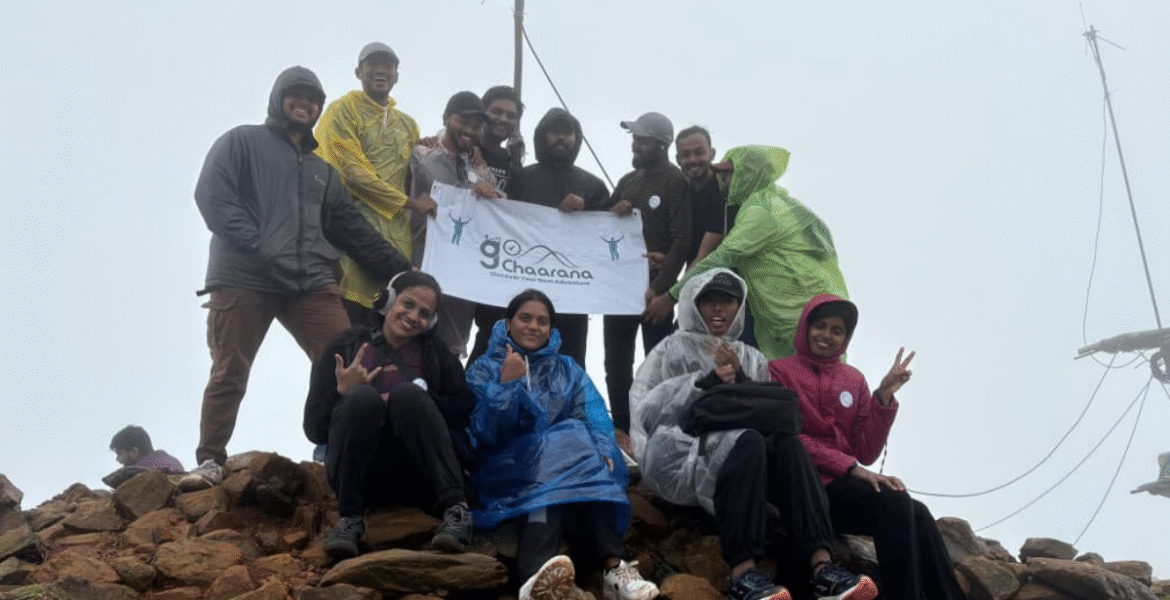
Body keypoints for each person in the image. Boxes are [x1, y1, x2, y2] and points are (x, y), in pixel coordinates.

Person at [186, 66, 412, 490]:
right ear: (278, 99)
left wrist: (402, 269)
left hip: (310, 281)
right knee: (230, 369)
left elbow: (352, 229)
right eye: (295, 95)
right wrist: (257, 242)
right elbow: (212, 196)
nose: (304, 104)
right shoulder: (241, 141)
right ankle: (210, 461)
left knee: (353, 361)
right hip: (244, 276)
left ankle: (344, 457)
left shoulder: (321, 171)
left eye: (312, 99)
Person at [630, 270, 876, 600]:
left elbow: (763, 412)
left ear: (739, 307)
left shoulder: (752, 356)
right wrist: (704, 381)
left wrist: (741, 378)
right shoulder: (670, 350)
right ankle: (743, 573)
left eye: (728, 302)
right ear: (694, 305)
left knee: (788, 444)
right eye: (710, 302)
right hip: (684, 453)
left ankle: (823, 567)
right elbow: (645, 411)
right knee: (745, 440)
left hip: (748, 455)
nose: (719, 310)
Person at [769, 295, 965, 600]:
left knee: (917, 511)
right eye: (820, 326)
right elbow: (787, 436)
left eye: (837, 331)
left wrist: (883, 397)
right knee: (893, 502)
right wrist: (852, 469)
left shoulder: (853, 379)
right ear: (805, 327)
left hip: (844, 489)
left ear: (846, 338)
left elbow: (865, 450)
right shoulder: (780, 372)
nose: (827, 335)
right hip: (805, 489)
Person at [467, 290, 658, 600]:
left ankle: (613, 569)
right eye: (525, 318)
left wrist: (604, 449)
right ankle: (537, 577)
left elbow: (593, 416)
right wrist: (505, 385)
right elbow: (485, 434)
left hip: (561, 469)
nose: (533, 326)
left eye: (542, 321)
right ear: (508, 322)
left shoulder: (568, 369)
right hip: (507, 469)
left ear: (551, 329)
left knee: (589, 459)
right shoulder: (484, 368)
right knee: (564, 449)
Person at [303, 271, 475, 559]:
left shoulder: (436, 353)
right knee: (361, 398)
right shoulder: (342, 347)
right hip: (364, 475)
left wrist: (422, 396)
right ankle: (350, 520)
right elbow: (314, 430)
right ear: (388, 301)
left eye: (424, 313)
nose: (413, 316)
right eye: (407, 304)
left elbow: (463, 410)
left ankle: (457, 511)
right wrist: (342, 393)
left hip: (422, 473)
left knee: (407, 396)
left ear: (431, 322)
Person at [646, 146, 848, 360]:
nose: (722, 178)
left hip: (800, 315)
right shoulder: (768, 205)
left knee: (814, 381)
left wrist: (671, 297)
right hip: (790, 319)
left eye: (729, 172)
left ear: (748, 174)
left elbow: (722, 257)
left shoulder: (763, 209)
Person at [469, 107, 610, 367]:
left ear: (576, 139)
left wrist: (586, 204)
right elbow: (503, 220)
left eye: (567, 133)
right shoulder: (521, 177)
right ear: (542, 136)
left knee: (569, 363)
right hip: (520, 287)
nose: (561, 138)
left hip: (571, 295)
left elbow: (609, 233)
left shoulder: (594, 185)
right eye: (554, 132)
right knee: (501, 356)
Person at [315, 42, 421, 326]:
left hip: (396, 246)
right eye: (372, 64)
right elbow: (350, 172)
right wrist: (407, 203)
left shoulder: (408, 125)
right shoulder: (342, 110)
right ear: (358, 72)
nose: (381, 70)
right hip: (349, 239)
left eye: (388, 65)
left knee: (387, 337)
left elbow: (421, 167)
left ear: (397, 75)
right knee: (344, 337)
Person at [604, 112, 690, 433]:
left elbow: (682, 238)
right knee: (616, 365)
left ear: (662, 144)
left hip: (655, 295)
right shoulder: (628, 181)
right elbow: (600, 225)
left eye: (642, 140)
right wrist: (614, 210)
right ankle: (623, 431)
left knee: (656, 366)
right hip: (619, 291)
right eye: (634, 138)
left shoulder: (676, 181)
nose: (635, 144)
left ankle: (655, 431)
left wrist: (661, 287)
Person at [409, 91, 502, 358]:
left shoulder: (483, 172)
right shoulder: (420, 156)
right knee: (408, 348)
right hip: (420, 269)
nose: (469, 130)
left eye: (476, 125)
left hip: (461, 284)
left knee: (448, 356)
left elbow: (498, 222)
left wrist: (493, 197)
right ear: (446, 118)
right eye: (463, 122)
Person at [109, 425, 184, 473]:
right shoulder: (172, 461)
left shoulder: (140, 472)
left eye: (120, 454)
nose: (117, 459)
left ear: (134, 451)